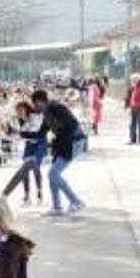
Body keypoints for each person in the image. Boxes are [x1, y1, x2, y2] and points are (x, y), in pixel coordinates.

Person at [31, 87, 85, 215]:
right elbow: (40, 134)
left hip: (74, 142)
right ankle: (57, 207)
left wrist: (59, 138)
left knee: (53, 174)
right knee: (52, 175)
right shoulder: (46, 113)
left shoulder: (57, 107)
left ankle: (76, 201)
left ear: (40, 101)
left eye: (35, 103)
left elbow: (72, 124)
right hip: (63, 144)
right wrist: (23, 133)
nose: (34, 106)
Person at [1, 98, 47, 207]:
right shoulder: (19, 120)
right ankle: (26, 196)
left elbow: (33, 135)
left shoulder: (35, 118)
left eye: (21, 110)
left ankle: (39, 192)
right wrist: (7, 133)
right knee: (25, 169)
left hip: (39, 143)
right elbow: (17, 135)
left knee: (35, 167)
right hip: (29, 144)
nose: (19, 113)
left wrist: (18, 133)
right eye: (17, 111)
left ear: (26, 109)